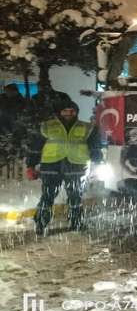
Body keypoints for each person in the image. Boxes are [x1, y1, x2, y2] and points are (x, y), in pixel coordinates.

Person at [25, 100, 102, 235]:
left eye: (71, 111)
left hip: (76, 167)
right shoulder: (47, 126)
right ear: (59, 112)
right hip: (51, 166)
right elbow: (35, 148)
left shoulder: (87, 127)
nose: (68, 114)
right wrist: (30, 165)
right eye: (65, 111)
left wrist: (97, 163)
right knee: (48, 196)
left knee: (75, 196)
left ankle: (76, 222)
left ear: (76, 112)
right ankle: (41, 224)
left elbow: (95, 148)